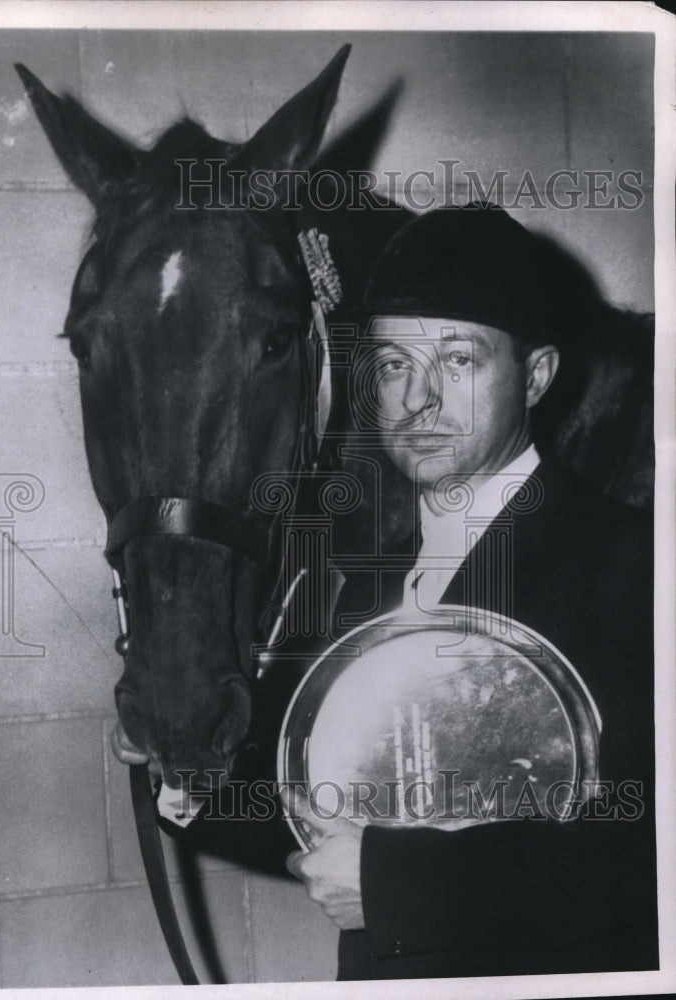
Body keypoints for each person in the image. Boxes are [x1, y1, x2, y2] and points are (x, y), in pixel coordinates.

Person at [284, 202, 658, 979]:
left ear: (537, 376)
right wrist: (183, 772)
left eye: (457, 360)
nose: (416, 399)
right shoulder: (360, 585)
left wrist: (393, 882)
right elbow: (316, 812)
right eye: (393, 363)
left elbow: (649, 853)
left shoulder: (638, 565)